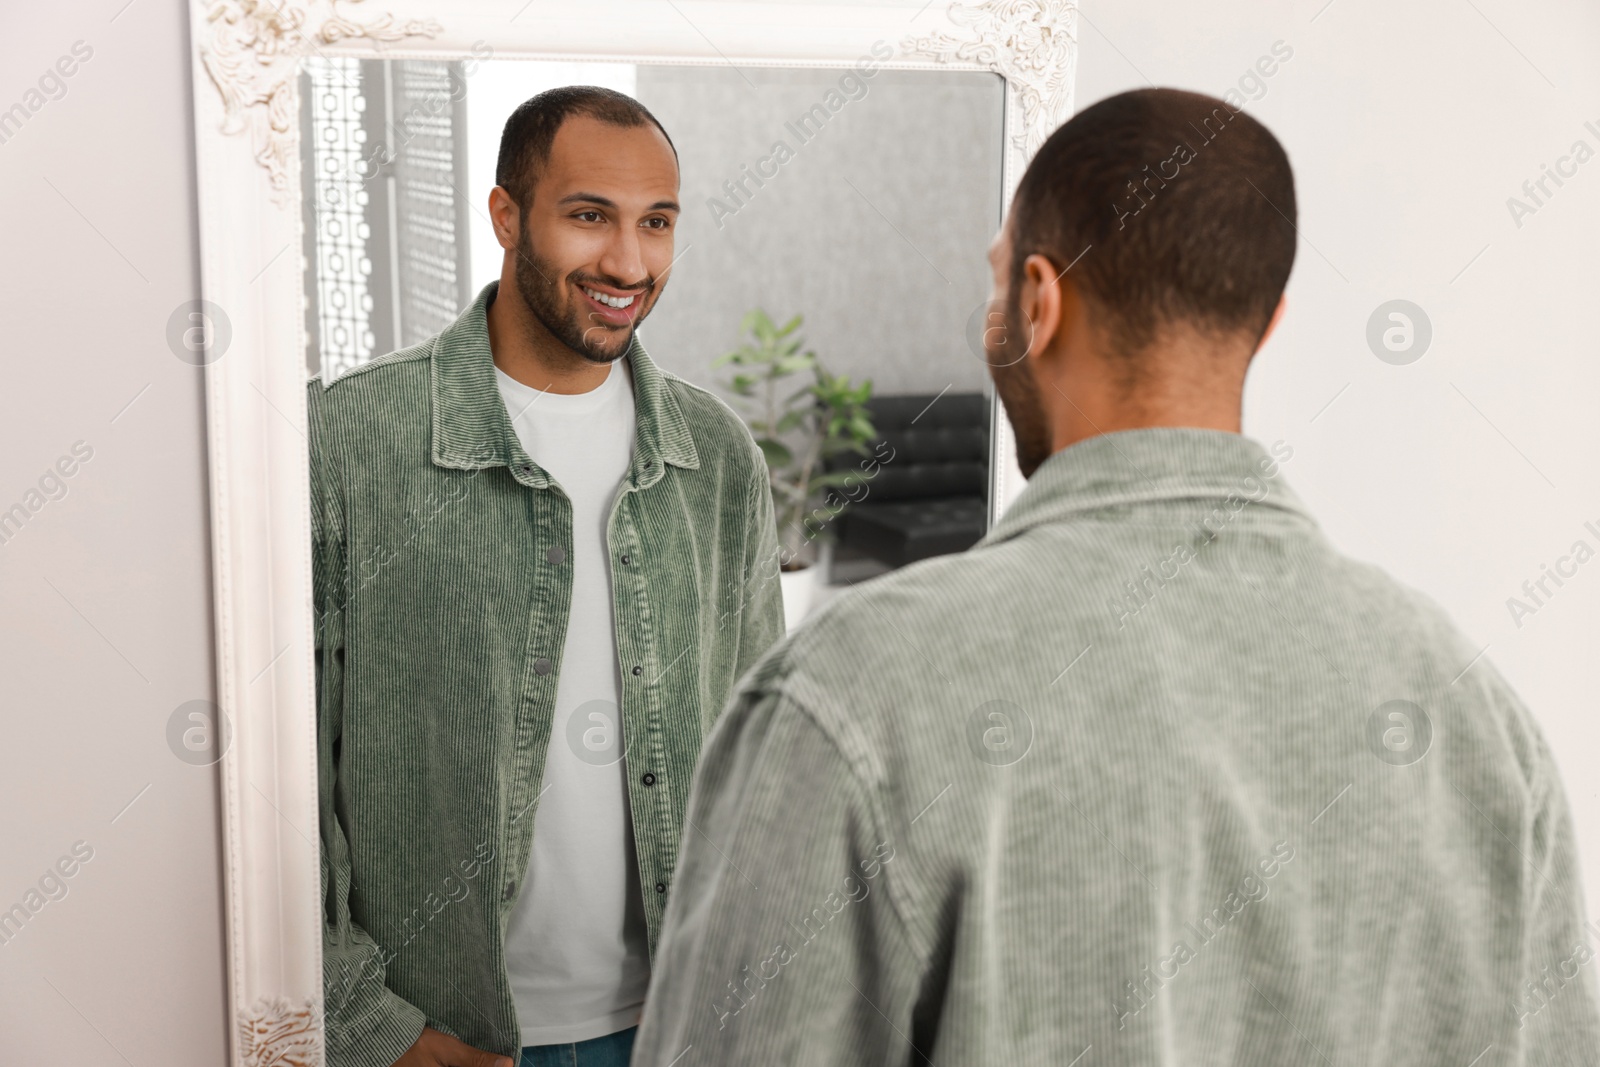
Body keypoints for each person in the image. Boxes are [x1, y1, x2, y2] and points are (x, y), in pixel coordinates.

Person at [631, 88, 1600, 1064]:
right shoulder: (1475, 715)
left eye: (998, 280)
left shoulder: (851, 696)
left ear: (1040, 302)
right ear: (1265, 325)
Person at [308, 86, 783, 1067]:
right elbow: (285, 769)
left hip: (677, 1019)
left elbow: (760, 749)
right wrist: (371, 1025)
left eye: (656, 223)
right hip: (446, 1031)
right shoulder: (352, 438)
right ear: (505, 216)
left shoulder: (715, 452)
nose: (627, 261)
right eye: (588, 216)